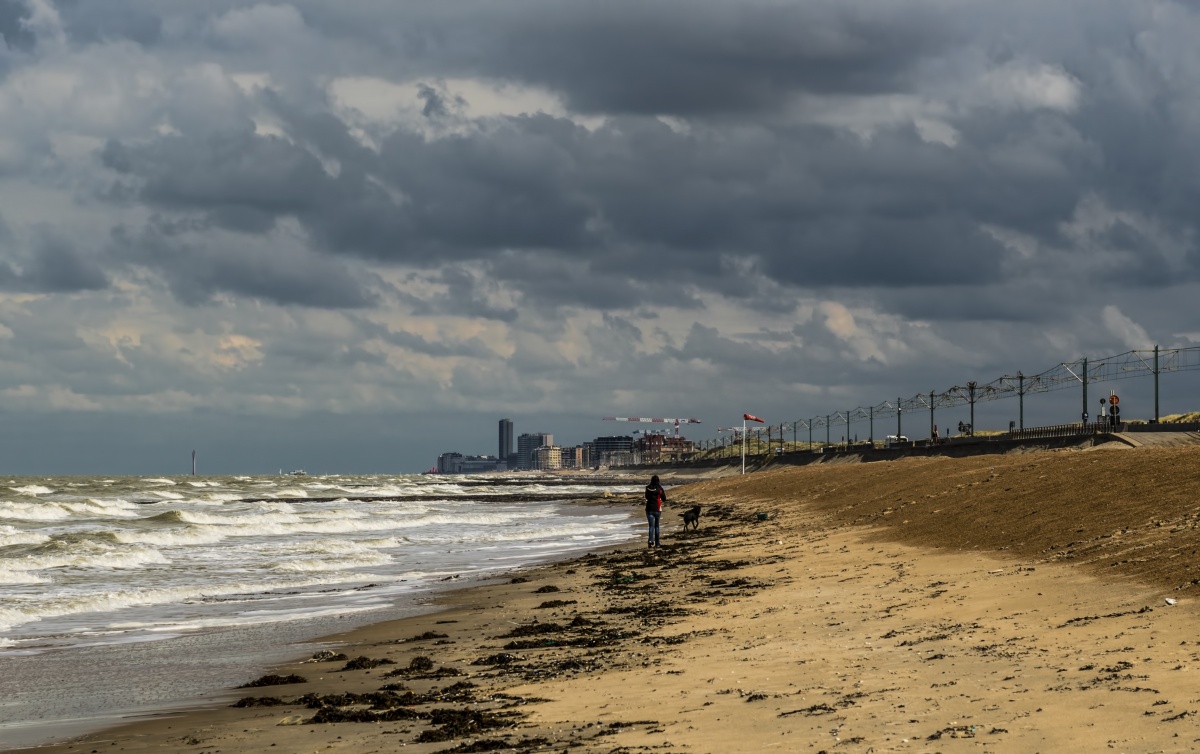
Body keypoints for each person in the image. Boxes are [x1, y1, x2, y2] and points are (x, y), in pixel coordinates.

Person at [644, 474, 667, 547]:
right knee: (656, 526)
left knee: (651, 526)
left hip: (649, 509)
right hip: (657, 509)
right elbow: (664, 498)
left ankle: (650, 540)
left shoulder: (647, 488)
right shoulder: (659, 489)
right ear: (658, 481)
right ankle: (657, 543)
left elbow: (646, 497)